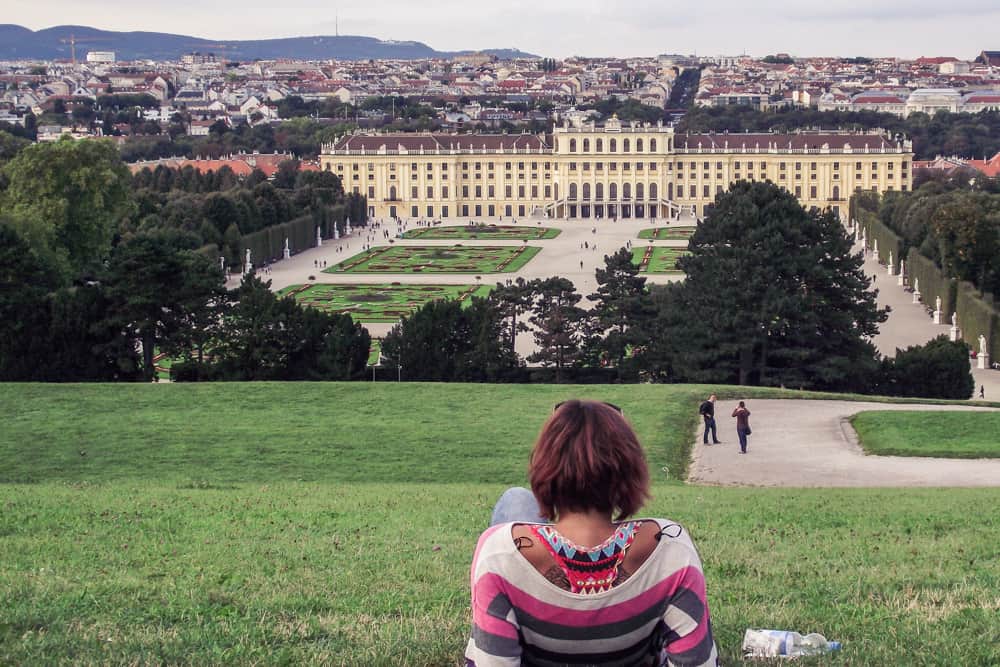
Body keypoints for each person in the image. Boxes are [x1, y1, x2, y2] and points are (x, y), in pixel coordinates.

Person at [466, 401, 717, 666]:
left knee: (513, 500)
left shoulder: (499, 552)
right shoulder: (671, 545)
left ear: (542, 465)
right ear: (632, 469)